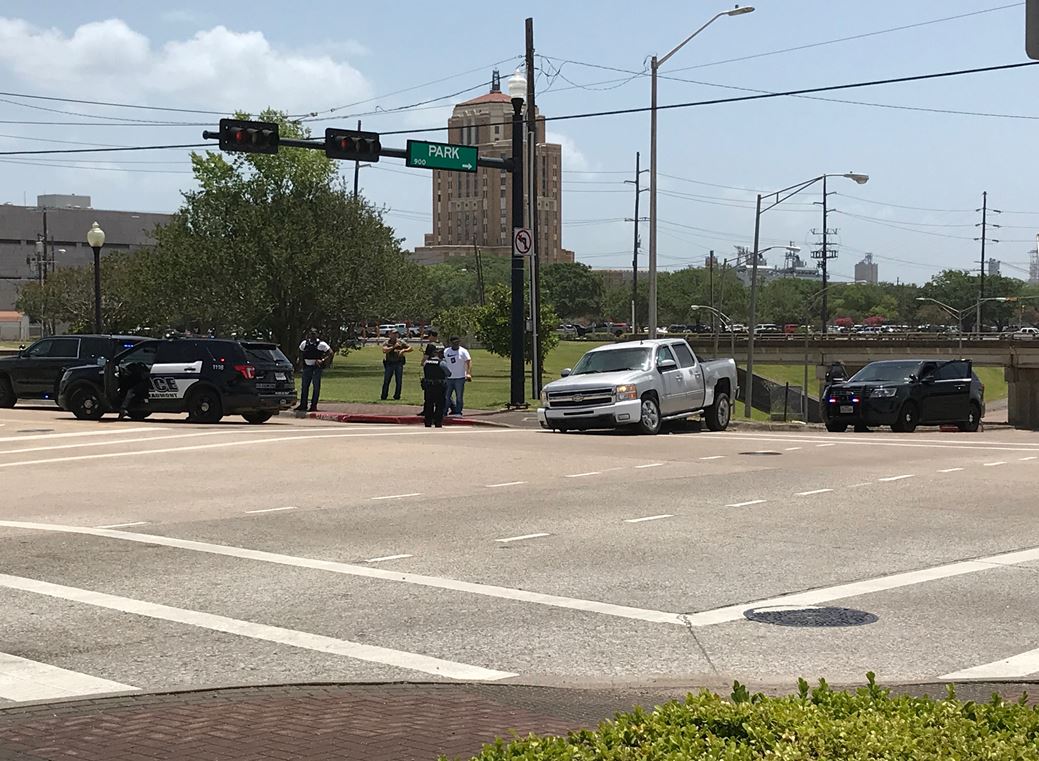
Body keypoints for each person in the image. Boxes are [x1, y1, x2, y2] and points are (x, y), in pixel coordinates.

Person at [297, 328, 332, 412]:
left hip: (316, 368)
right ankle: (303, 405)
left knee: (316, 387)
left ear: (317, 334)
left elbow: (330, 352)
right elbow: (300, 352)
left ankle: (313, 405)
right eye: (311, 333)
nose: (312, 335)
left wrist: (323, 360)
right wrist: (300, 361)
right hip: (307, 367)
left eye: (314, 333)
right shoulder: (304, 343)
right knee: (304, 386)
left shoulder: (321, 344)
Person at [420, 343, 450, 427]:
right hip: (439, 386)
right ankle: (438, 422)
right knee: (440, 405)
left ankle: (428, 422)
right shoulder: (442, 363)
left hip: (428, 386)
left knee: (429, 404)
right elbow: (448, 373)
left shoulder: (427, 362)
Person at [442, 336, 472, 416]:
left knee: (459, 396)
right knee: (446, 396)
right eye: (454, 343)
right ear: (451, 343)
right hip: (448, 378)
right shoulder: (446, 351)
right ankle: (444, 411)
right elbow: (443, 362)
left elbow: (468, 362)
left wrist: (468, 373)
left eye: (457, 342)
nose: (456, 344)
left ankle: (458, 412)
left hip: (460, 377)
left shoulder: (463, 351)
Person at [380, 329, 412, 401]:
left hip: (398, 363)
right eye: (393, 334)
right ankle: (384, 396)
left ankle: (397, 396)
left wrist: (404, 350)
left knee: (399, 381)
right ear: (389, 335)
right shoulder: (386, 342)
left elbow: (410, 348)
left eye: (396, 334)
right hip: (389, 364)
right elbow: (384, 350)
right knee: (386, 380)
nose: (394, 335)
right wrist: (394, 347)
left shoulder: (401, 342)